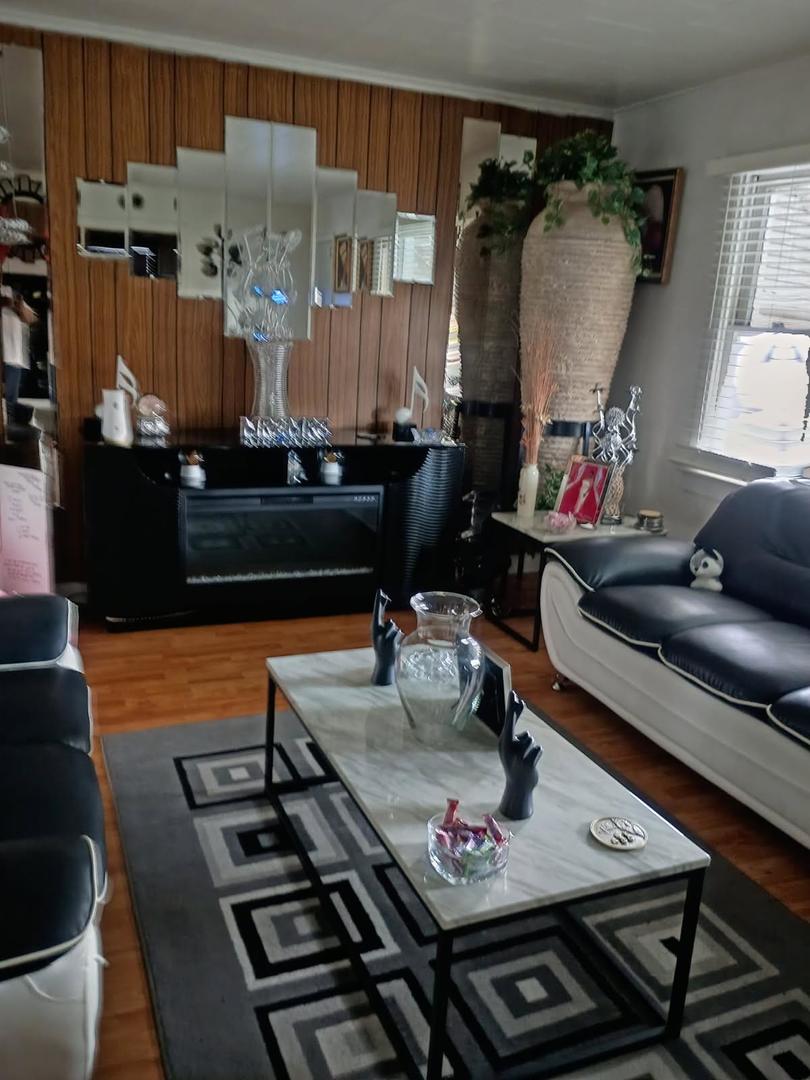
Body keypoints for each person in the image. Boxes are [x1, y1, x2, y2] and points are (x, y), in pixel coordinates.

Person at [1, 285, 37, 421]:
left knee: (10, 402)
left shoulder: (10, 291)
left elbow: (32, 318)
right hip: (6, 356)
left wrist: (17, 307)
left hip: (13, 356)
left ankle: (8, 426)